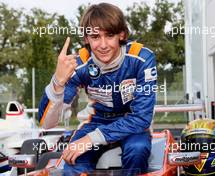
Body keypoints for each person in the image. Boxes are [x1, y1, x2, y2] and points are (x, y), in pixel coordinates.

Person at [38, 3, 157, 175]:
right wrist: (57, 82)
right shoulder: (79, 64)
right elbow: (48, 123)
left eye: (109, 35)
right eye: (95, 37)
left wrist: (90, 139)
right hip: (96, 121)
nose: (103, 45)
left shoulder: (141, 57)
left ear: (121, 34)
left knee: (138, 149)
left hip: (132, 123)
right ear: (86, 39)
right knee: (72, 158)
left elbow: (141, 118)